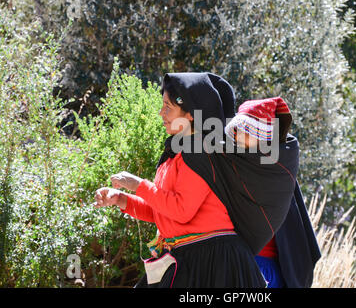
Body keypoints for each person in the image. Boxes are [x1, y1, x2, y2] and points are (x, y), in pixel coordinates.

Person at [94, 72, 266, 288]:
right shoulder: (176, 154)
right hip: (189, 256)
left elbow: (181, 210)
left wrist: (139, 185)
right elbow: (162, 210)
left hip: (214, 261)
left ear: (191, 113)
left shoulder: (200, 152)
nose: (161, 113)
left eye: (168, 107)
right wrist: (121, 199)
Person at [224, 97, 322, 288]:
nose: (236, 137)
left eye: (243, 131)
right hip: (237, 265)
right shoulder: (234, 165)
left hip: (264, 270)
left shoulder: (276, 173)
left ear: (261, 135)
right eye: (235, 131)